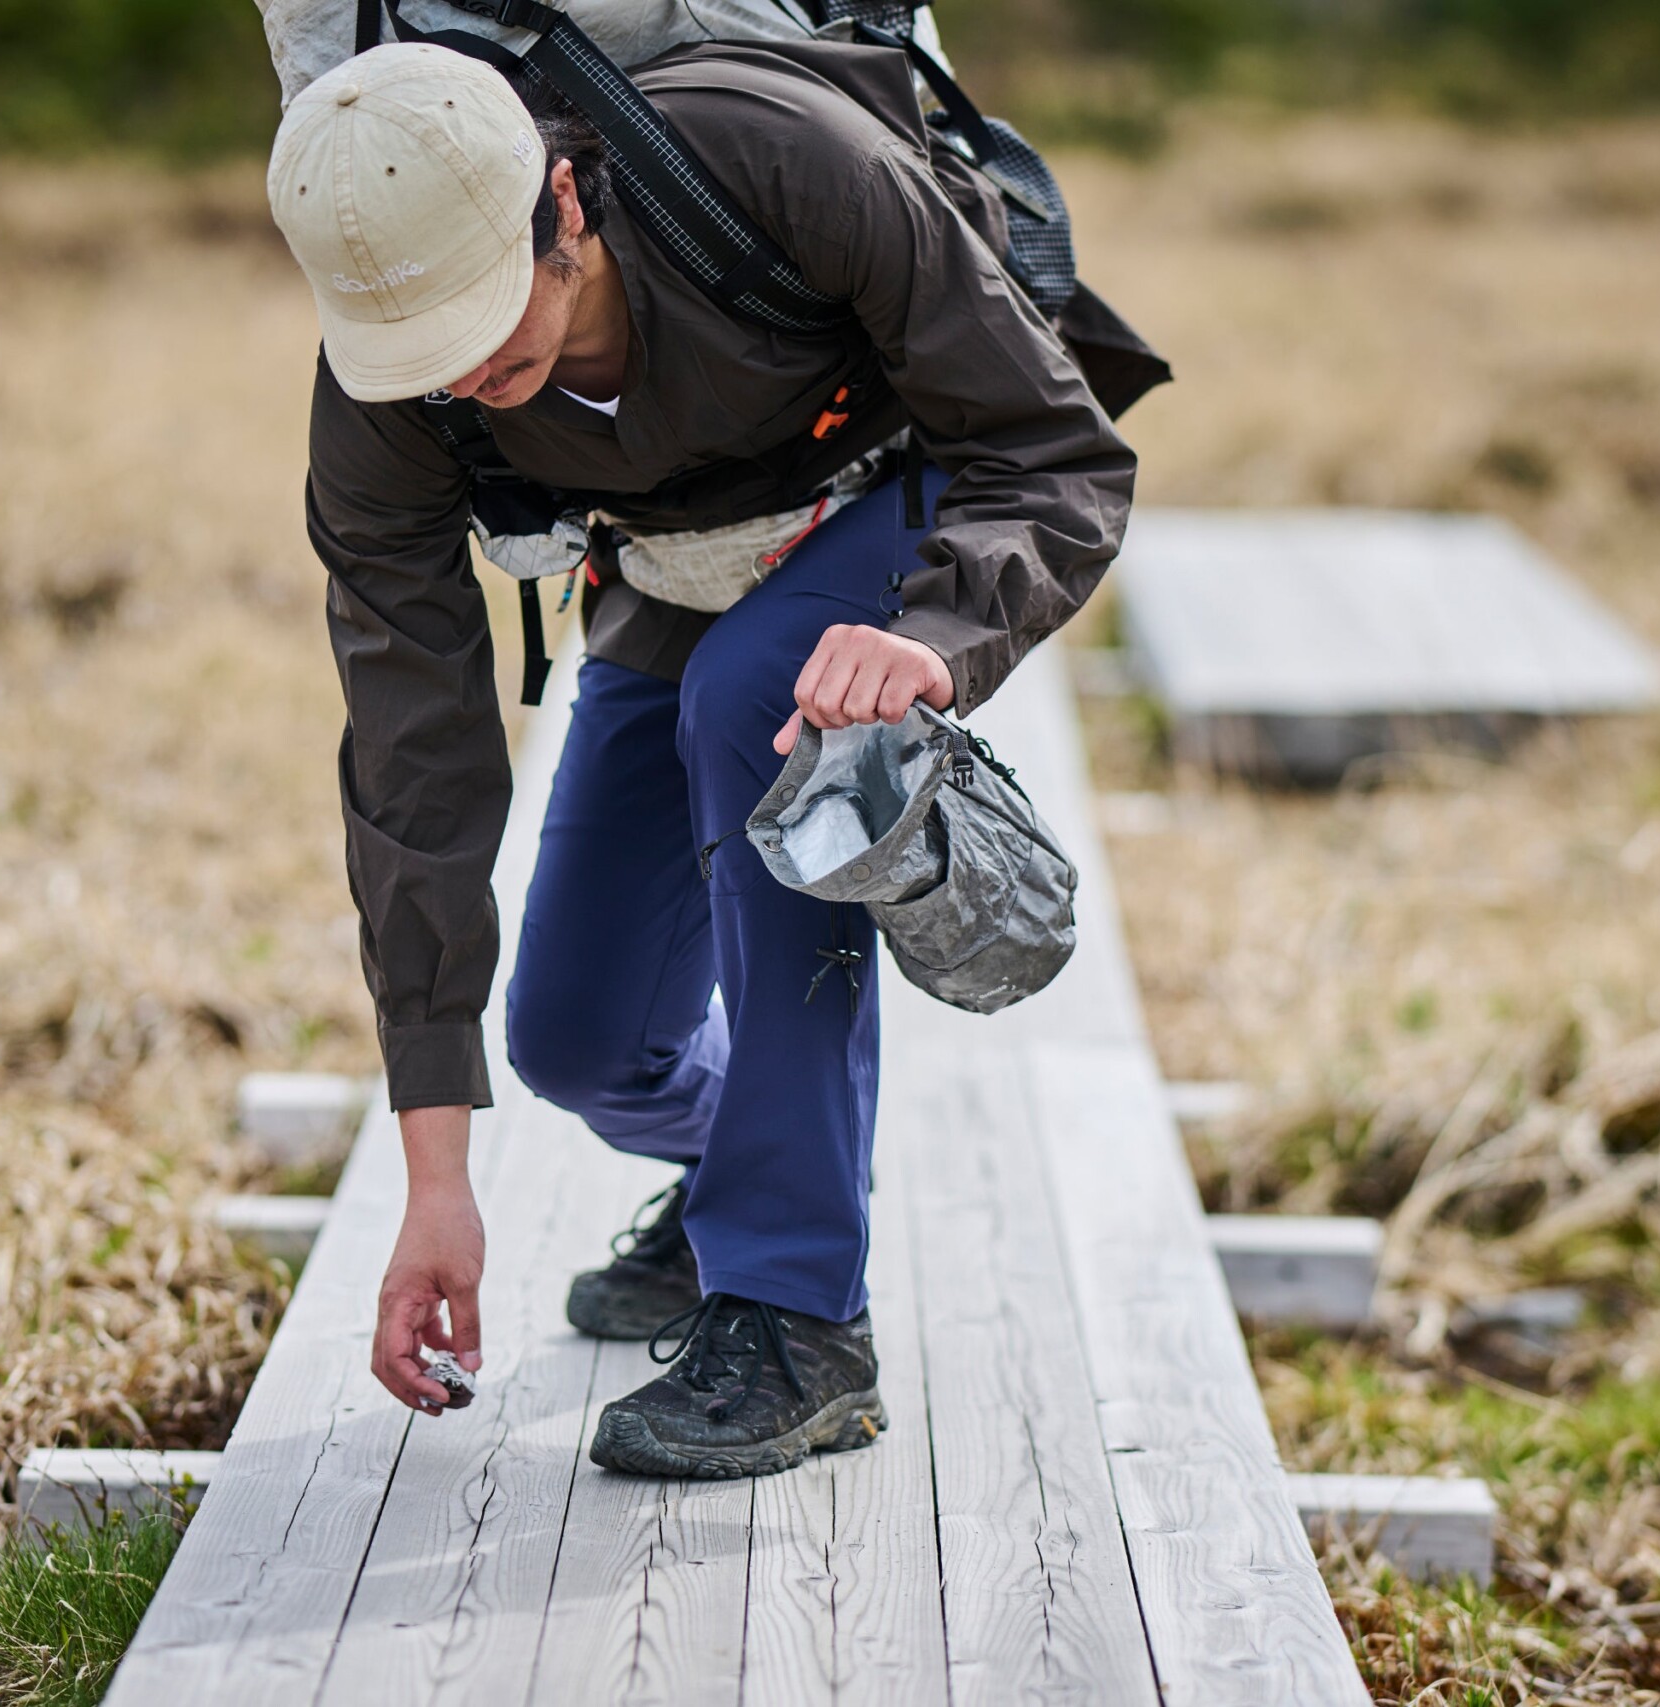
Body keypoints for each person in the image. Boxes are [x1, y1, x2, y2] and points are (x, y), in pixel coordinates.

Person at [269, 35, 1132, 1477]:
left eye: (492, 316)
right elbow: (414, 763)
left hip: (888, 492)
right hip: (674, 562)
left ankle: (798, 1318)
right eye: (431, 359)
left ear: (564, 203)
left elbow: (1059, 453)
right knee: (577, 1037)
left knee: (755, 695)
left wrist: (937, 638)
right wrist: (434, 1182)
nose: (476, 377)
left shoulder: (781, 161)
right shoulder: (389, 395)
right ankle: (757, 1164)